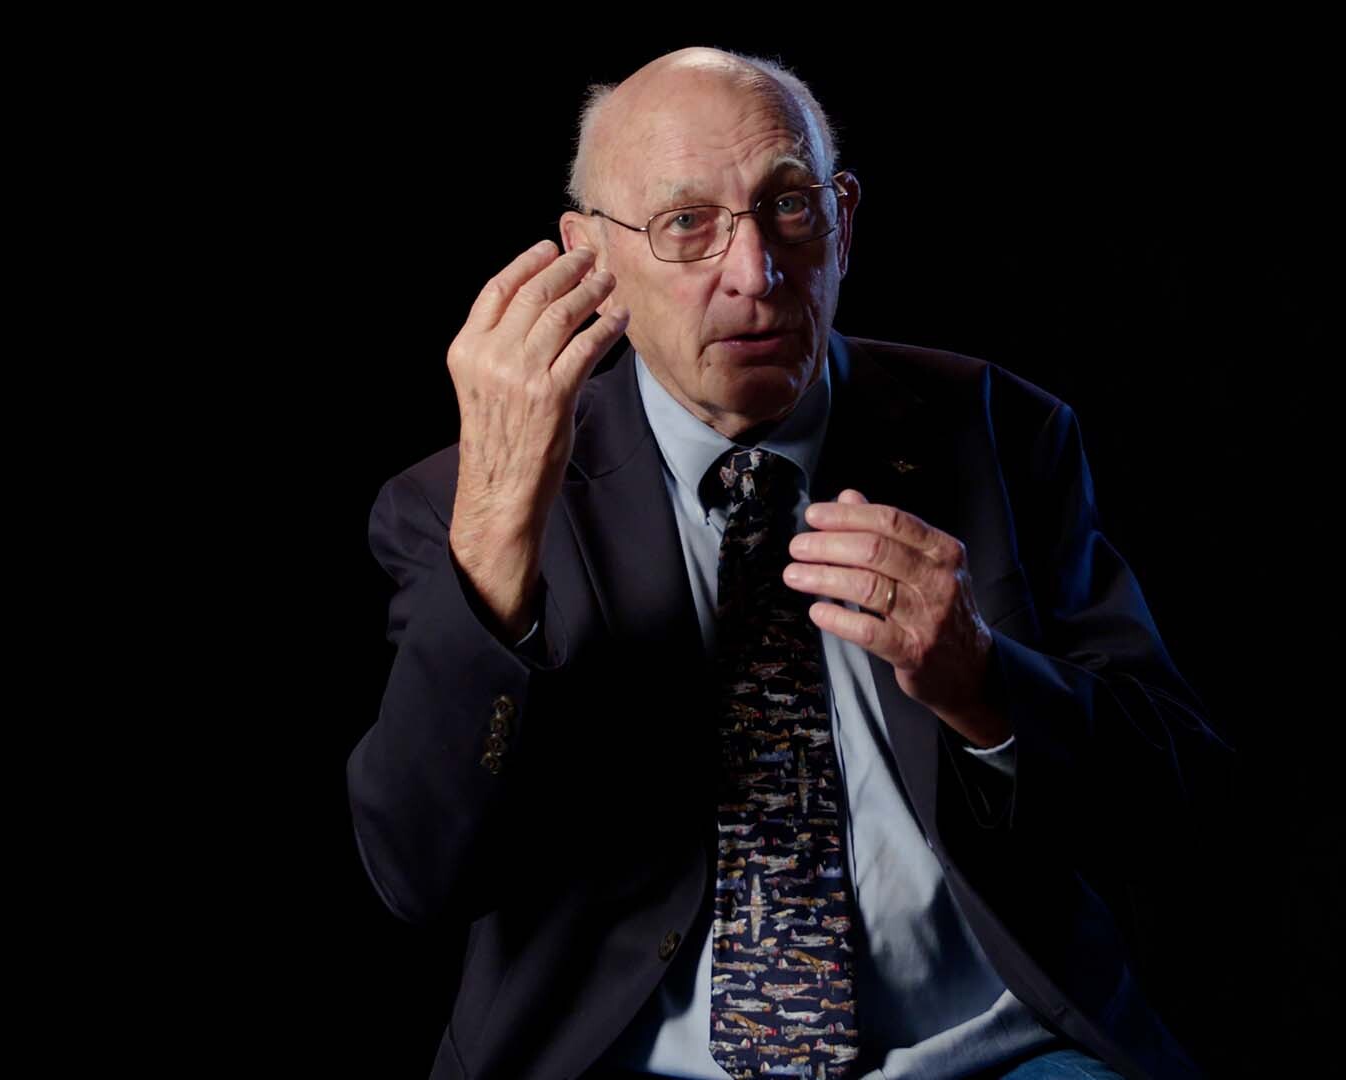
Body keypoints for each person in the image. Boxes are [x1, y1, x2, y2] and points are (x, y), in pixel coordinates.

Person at [349, 46, 1229, 1080]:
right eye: (686, 225)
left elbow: (1179, 800)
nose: (755, 274)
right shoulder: (460, 506)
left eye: (790, 208)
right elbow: (417, 873)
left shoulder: (998, 431)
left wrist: (987, 686)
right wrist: (497, 543)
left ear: (844, 221)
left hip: (987, 1057)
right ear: (592, 261)